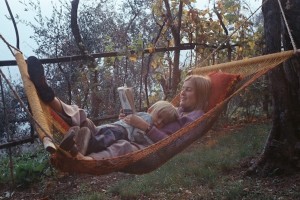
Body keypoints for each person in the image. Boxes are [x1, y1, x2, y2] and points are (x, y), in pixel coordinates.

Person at [26, 56, 211, 160]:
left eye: (188, 90)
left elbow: (173, 143)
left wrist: (146, 127)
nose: (183, 94)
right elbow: (151, 117)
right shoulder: (176, 109)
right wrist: (129, 118)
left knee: (122, 146)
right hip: (129, 132)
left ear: (200, 95)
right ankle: (51, 99)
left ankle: (84, 157)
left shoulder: (196, 117)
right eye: (182, 89)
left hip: (146, 145)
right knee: (85, 118)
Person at [59, 100, 179, 156]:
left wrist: (123, 116)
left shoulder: (141, 114)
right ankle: (87, 142)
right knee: (102, 140)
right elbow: (138, 134)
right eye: (159, 116)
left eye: (164, 122)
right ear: (151, 110)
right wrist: (148, 137)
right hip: (121, 131)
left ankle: (75, 133)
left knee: (91, 126)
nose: (159, 122)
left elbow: (127, 120)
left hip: (112, 126)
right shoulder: (147, 119)